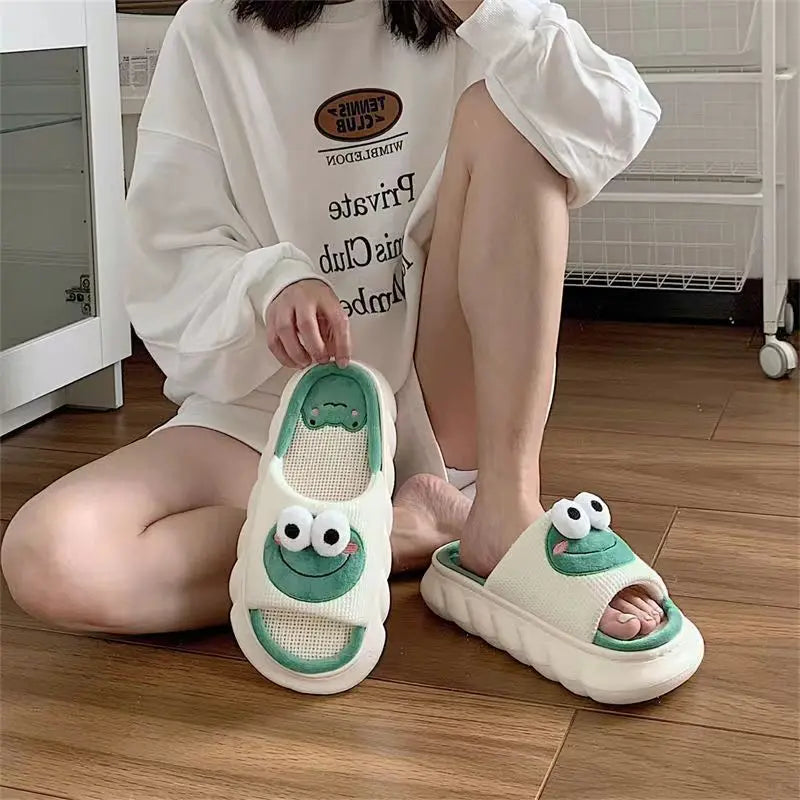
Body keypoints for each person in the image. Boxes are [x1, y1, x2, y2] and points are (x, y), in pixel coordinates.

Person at [2, 0, 666, 646]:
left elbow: (613, 124)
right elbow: (164, 255)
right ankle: (394, 533)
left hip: (441, 413)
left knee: (519, 110)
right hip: (270, 415)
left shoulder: (470, 15)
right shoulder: (210, 29)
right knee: (52, 557)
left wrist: (493, 13)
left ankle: (505, 507)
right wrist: (272, 284)